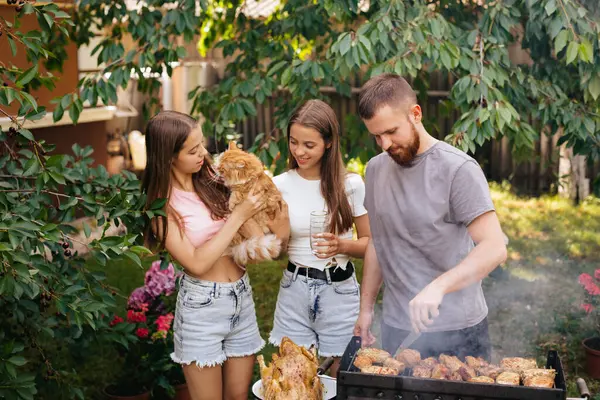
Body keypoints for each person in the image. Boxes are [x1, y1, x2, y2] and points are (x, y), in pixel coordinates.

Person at [353, 74, 507, 360]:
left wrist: (438, 286)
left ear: (416, 114)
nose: (384, 144)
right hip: (398, 327)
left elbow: (494, 248)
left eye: (391, 131)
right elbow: (377, 242)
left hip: (459, 329)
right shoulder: (375, 170)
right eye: (376, 135)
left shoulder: (458, 170)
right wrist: (366, 309)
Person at [141, 111, 289, 400]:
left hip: (241, 297)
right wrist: (238, 216)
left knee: (238, 396)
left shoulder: (210, 179)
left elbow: (270, 226)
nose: (204, 154)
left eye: (202, 145)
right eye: (193, 150)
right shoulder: (162, 207)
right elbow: (196, 262)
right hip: (201, 308)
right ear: (168, 157)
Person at [269, 99, 371, 376]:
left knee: (342, 376)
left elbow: (371, 244)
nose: (298, 151)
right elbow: (274, 250)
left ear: (328, 142)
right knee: (295, 379)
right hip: (295, 288)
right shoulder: (279, 185)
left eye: (309, 145)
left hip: (339, 291)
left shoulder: (351, 185)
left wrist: (343, 245)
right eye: (293, 142)